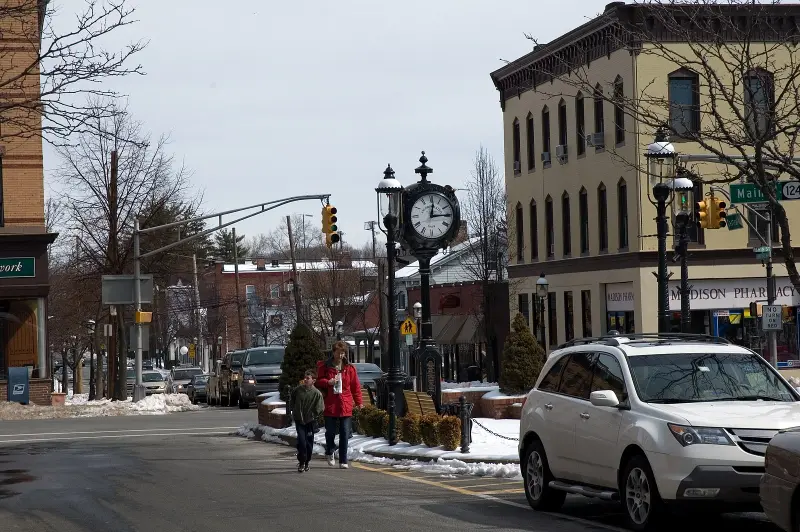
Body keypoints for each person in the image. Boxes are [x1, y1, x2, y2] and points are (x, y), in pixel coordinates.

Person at [316, 340, 362, 469]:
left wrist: (359, 403)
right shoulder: (324, 366)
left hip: (345, 403)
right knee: (330, 432)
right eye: (339, 353)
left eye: (343, 353)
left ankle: (343, 460)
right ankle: (330, 451)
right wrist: (328, 382)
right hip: (330, 403)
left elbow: (355, 387)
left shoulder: (349, 368)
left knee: (345, 432)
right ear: (334, 352)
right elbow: (318, 382)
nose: (341, 356)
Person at [290, 369, 325, 473]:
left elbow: (320, 408)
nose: (305, 380)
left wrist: (313, 415)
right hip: (299, 421)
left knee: (308, 443)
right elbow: (292, 399)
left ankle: (307, 462)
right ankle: (301, 462)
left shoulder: (316, 394)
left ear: (313, 380)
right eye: (305, 377)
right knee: (301, 441)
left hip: (310, 422)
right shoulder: (298, 390)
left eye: (308, 378)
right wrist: (294, 411)